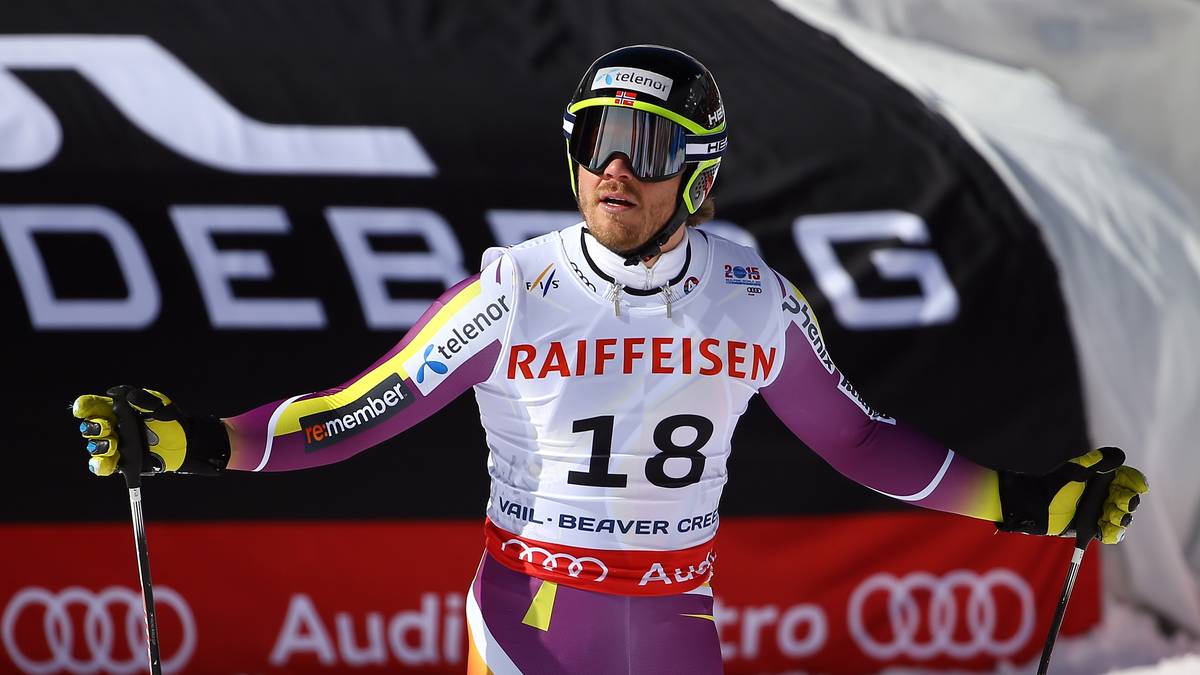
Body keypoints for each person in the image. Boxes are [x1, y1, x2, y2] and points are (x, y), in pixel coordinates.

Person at [72, 45, 1148, 674]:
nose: (615, 171)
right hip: (532, 616)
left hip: (679, 622)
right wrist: (192, 442)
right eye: (597, 140)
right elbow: (359, 414)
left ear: (701, 179)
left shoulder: (752, 301)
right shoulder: (515, 291)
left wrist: (1024, 502)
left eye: (652, 150)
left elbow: (859, 441)